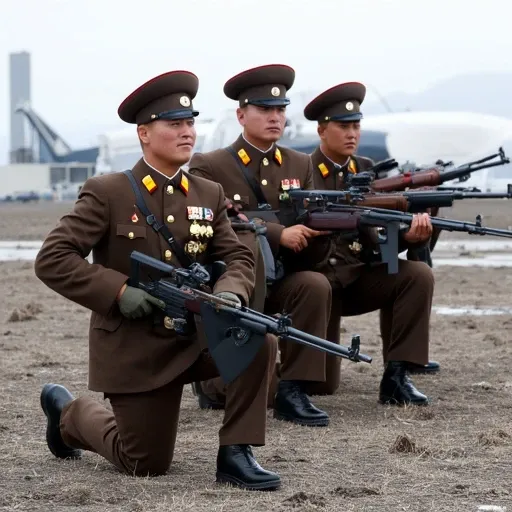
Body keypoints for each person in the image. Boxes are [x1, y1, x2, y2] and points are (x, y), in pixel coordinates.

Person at [34, 70, 281, 491]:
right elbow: (53, 258)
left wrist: (229, 293)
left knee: (258, 336)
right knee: (144, 463)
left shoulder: (208, 193)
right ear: (144, 133)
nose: (188, 132)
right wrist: (118, 291)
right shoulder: (107, 191)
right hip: (136, 347)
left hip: (194, 337)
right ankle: (68, 414)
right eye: (175, 124)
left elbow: (239, 254)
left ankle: (237, 453)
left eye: (190, 123)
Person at [187, 64, 335, 427]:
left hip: (281, 279)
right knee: (233, 386)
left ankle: (294, 390)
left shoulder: (301, 163)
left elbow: (311, 248)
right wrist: (274, 232)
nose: (274, 117)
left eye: (280, 110)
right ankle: (216, 382)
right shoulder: (211, 165)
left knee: (315, 285)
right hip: (235, 283)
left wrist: (325, 230)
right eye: (264, 110)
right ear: (241, 115)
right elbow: (212, 223)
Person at [302, 82, 438, 405]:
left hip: (358, 280)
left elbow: (378, 242)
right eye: (343, 126)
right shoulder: (302, 170)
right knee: (320, 386)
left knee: (417, 275)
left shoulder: (367, 171)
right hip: (317, 285)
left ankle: (397, 376)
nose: (352, 133)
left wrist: (407, 238)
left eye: (356, 126)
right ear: (322, 130)